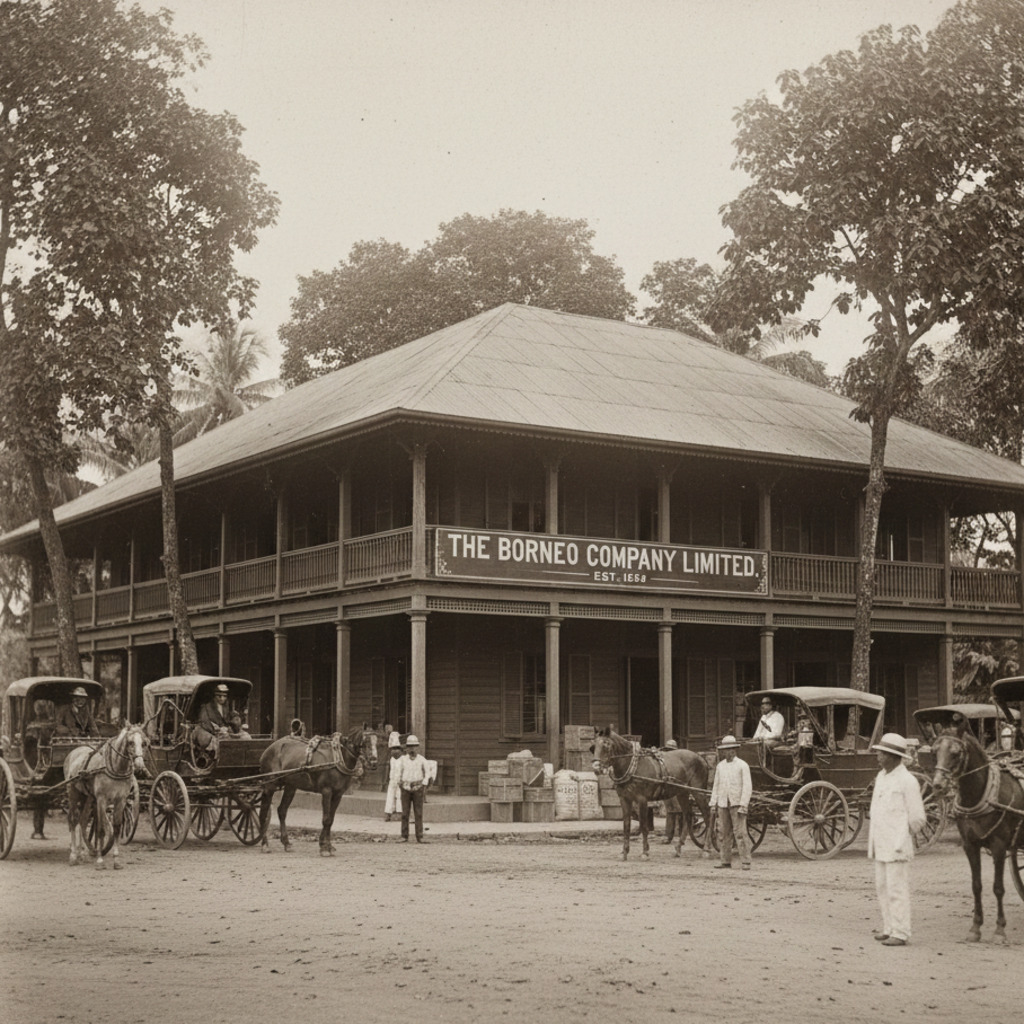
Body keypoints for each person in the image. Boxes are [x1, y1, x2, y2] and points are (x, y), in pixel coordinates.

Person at [867, 732, 927, 947]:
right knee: (882, 886)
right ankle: (888, 927)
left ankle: (901, 932)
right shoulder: (882, 777)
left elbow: (918, 817)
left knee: (897, 888)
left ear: (893, 756)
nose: (878, 757)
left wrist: (902, 835)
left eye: (882, 754)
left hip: (897, 843)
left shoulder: (907, 781)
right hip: (880, 841)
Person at [709, 734, 752, 870]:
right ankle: (725, 861)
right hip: (723, 802)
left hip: (737, 803)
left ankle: (745, 861)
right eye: (725, 750)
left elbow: (747, 786)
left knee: (740, 832)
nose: (727, 752)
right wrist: (713, 803)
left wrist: (744, 804)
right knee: (723, 833)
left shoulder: (742, 765)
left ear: (735, 750)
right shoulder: (720, 766)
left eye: (730, 750)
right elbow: (716, 785)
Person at [394, 734, 431, 843]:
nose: (412, 749)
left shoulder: (422, 760)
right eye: (410, 746)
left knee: (418, 813)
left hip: (418, 788)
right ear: (407, 748)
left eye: (414, 746)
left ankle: (420, 836)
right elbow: (397, 772)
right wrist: (400, 783)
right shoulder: (402, 760)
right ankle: (404, 836)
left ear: (417, 747)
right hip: (405, 787)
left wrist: (423, 784)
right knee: (405, 813)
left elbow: (428, 773)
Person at [25, 700, 53, 839]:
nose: (41, 711)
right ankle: (38, 829)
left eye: (42, 708)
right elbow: (29, 743)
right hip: (34, 761)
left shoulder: (49, 725)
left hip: (47, 758)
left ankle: (38, 830)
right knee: (39, 795)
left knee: (41, 797)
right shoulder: (32, 726)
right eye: (39, 708)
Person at [194, 683, 231, 753]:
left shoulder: (227, 707)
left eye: (224, 696)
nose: (222, 698)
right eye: (219, 696)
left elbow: (230, 717)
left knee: (244, 737)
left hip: (225, 732)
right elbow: (204, 722)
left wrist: (230, 726)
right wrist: (217, 730)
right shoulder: (206, 707)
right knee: (216, 743)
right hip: (210, 732)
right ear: (214, 696)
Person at [384, 731, 403, 822]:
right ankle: (388, 812)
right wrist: (387, 778)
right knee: (390, 794)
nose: (395, 751)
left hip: (401, 779)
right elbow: (390, 770)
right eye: (393, 749)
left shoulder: (403, 759)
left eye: (397, 749)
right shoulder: (392, 759)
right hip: (392, 779)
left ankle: (400, 812)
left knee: (399, 795)